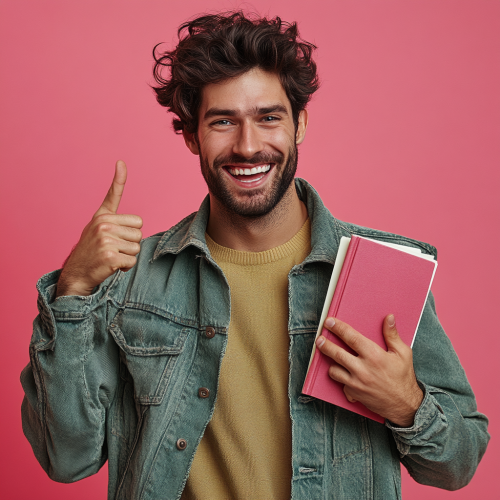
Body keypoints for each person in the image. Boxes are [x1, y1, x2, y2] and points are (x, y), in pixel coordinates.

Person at [21, 12, 489, 500]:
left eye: (269, 117)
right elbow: (66, 459)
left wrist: (407, 404)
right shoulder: (133, 281)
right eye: (223, 122)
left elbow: (457, 465)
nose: (248, 147)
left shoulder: (378, 273)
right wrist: (72, 294)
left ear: (299, 124)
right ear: (190, 135)